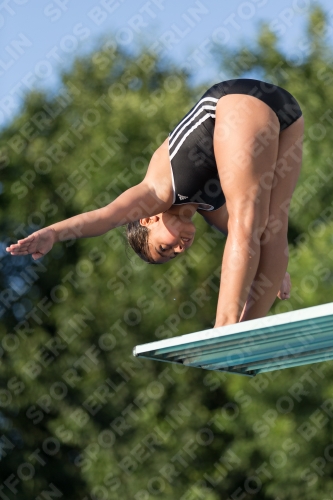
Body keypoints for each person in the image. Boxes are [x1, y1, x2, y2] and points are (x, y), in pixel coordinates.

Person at [6, 79, 303, 327]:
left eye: (164, 247)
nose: (179, 248)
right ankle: (247, 330)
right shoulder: (213, 212)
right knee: (271, 230)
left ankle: (225, 328)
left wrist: (54, 233)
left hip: (236, 101)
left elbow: (104, 217)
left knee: (249, 224)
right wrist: (274, 271)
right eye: (174, 254)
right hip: (289, 114)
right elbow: (260, 243)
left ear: (148, 219)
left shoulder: (156, 193)